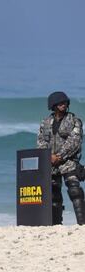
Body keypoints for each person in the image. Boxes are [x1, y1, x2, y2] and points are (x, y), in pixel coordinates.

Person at [37, 91, 85, 225]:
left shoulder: (74, 121)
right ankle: (56, 225)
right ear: (53, 105)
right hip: (51, 163)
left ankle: (82, 224)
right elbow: (41, 142)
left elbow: (75, 141)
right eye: (60, 103)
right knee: (53, 194)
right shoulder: (45, 122)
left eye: (65, 102)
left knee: (75, 191)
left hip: (68, 162)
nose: (64, 105)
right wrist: (49, 157)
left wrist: (59, 156)